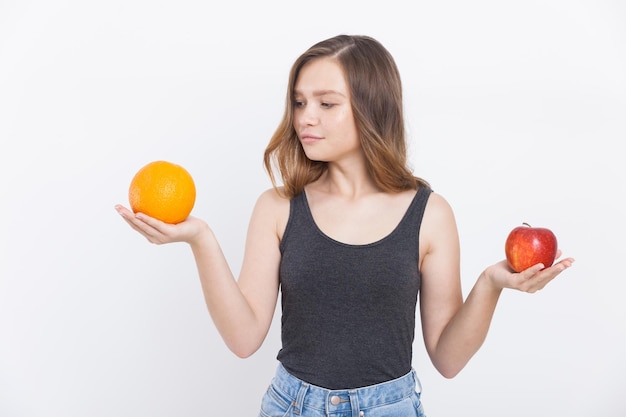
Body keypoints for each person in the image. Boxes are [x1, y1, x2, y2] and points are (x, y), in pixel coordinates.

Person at [115, 34, 574, 417]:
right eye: (299, 102)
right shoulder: (277, 208)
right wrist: (200, 239)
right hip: (290, 406)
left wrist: (492, 283)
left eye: (326, 103)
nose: (304, 118)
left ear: (372, 108)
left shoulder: (430, 214)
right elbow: (242, 338)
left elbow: (449, 359)